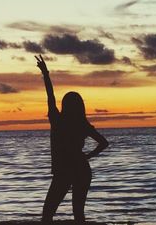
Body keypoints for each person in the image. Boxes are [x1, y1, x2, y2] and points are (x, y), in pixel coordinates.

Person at [35, 55, 109, 223]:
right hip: (81, 169)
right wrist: (88, 156)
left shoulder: (57, 119)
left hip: (64, 171)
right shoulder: (81, 123)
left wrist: (46, 74)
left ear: (65, 105)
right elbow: (104, 143)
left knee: (48, 214)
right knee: (78, 214)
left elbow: (50, 97)